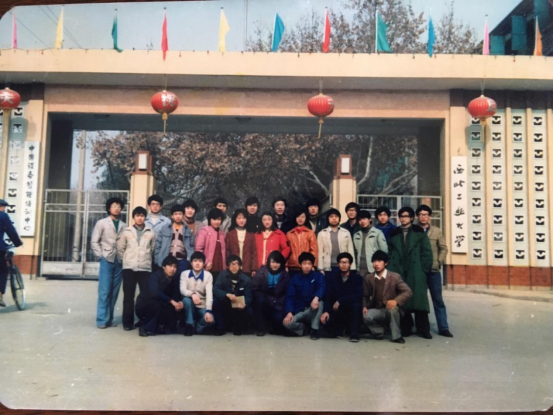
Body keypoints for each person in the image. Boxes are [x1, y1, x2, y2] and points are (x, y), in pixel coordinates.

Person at [387, 207, 433, 339]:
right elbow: (390, 252)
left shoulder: (419, 233)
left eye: (406, 216)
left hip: (416, 270)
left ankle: (423, 329)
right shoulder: (395, 233)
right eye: (401, 216)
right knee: (403, 299)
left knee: (419, 300)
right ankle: (406, 327)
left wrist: (423, 269)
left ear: (412, 218)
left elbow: (427, 252)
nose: (403, 218)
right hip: (399, 270)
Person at [117, 206, 156, 331]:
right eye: (137, 215)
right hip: (129, 268)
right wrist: (127, 260)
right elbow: (121, 249)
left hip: (145, 268)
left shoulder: (150, 232)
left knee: (146, 296)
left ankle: (143, 321)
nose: (140, 218)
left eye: (142, 216)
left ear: (145, 217)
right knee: (128, 296)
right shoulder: (126, 232)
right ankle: (127, 323)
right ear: (133, 217)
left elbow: (152, 249)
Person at [416, 204, 453, 338]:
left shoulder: (437, 231)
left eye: (426, 214)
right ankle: (421, 328)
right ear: (417, 216)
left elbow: (443, 248)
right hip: (419, 270)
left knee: (438, 300)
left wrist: (438, 261)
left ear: (429, 217)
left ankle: (443, 327)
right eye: (421, 214)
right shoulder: (414, 230)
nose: (423, 217)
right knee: (420, 300)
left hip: (433, 271)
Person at [362, 250, 413, 344]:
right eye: (374, 261)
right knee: (365, 315)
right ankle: (380, 332)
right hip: (378, 309)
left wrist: (396, 301)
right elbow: (365, 295)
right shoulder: (369, 278)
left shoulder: (394, 277)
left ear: (385, 263)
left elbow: (408, 291)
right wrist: (364, 306)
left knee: (392, 308)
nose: (376, 264)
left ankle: (397, 336)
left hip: (392, 309)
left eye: (379, 261)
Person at [91, 197, 126, 328]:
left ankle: (109, 319)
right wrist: (100, 255)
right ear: (109, 208)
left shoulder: (124, 225)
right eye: (114, 206)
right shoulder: (102, 223)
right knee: (104, 291)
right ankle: (101, 320)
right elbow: (94, 241)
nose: (116, 208)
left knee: (114, 291)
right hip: (107, 259)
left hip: (119, 261)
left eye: (118, 206)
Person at [135, 255, 184, 337]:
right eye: (170, 266)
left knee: (174, 308)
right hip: (144, 306)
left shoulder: (174, 278)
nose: (172, 269)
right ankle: (145, 328)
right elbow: (155, 293)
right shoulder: (155, 276)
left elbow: (176, 294)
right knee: (156, 304)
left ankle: (158, 325)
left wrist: (178, 303)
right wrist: (171, 301)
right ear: (164, 267)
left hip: (161, 304)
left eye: (175, 267)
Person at [320, 252, 363, 342]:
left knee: (356, 305)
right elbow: (328, 296)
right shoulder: (333, 278)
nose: (343, 265)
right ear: (338, 264)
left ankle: (354, 334)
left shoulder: (357, 278)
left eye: (346, 262)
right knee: (326, 325)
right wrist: (326, 311)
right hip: (337, 310)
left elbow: (358, 295)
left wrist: (340, 300)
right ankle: (340, 329)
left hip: (351, 309)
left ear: (350, 264)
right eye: (341, 262)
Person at [283, 252, 326, 339]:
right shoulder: (295, 278)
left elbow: (322, 287)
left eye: (309, 264)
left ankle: (314, 330)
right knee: (286, 323)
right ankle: (304, 329)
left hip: (312, 309)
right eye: (304, 263)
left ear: (312, 265)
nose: (307, 266)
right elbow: (290, 296)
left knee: (320, 303)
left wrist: (316, 297)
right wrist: (289, 312)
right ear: (300, 265)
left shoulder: (318, 276)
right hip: (300, 311)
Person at [251, 251, 291, 336]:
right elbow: (254, 289)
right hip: (264, 299)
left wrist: (278, 301)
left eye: (277, 262)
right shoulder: (261, 272)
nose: (275, 265)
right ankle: (260, 328)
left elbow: (287, 292)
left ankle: (272, 327)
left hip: (277, 301)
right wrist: (267, 298)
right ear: (269, 262)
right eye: (273, 262)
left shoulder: (285, 275)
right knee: (260, 301)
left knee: (278, 318)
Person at [212, 255, 252, 335]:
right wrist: (226, 294)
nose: (234, 267)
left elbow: (249, 296)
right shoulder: (222, 275)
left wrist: (244, 304)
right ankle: (220, 328)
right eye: (232, 264)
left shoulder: (246, 279)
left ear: (240, 266)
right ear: (227, 266)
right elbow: (215, 289)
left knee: (249, 310)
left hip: (239, 305)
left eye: (236, 264)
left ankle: (239, 327)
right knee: (216, 301)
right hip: (226, 301)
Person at [180, 251, 215, 336]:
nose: (197, 263)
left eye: (200, 261)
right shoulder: (184, 274)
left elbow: (209, 295)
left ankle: (197, 328)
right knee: (186, 300)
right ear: (191, 263)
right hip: (189, 303)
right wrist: (192, 294)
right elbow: (182, 290)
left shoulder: (208, 275)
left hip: (202, 305)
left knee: (211, 320)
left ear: (204, 264)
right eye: (195, 261)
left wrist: (208, 311)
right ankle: (190, 325)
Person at [317, 208, 356, 278]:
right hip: (327, 267)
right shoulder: (322, 233)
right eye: (331, 217)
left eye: (336, 216)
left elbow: (350, 251)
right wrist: (320, 268)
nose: (334, 218)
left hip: (343, 266)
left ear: (339, 219)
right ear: (328, 219)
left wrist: (352, 268)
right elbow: (319, 252)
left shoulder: (346, 233)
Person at [0, 199, 23, 308]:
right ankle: (0, 295)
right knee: (2, 270)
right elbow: (11, 230)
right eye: (3, 207)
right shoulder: (3, 216)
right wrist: (18, 243)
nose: (4, 209)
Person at [160, 204, 192, 277]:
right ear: (172, 216)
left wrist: (189, 259)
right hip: (168, 259)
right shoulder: (165, 228)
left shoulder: (187, 230)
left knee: (180, 279)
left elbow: (191, 246)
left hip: (182, 260)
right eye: (175, 214)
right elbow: (158, 244)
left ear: (183, 215)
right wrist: (159, 258)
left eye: (180, 214)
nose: (178, 216)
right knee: (167, 280)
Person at [195, 208, 227, 281]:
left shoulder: (222, 234)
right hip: (208, 267)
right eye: (214, 219)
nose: (216, 222)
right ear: (210, 219)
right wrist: (205, 262)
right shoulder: (204, 231)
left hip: (221, 267)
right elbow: (198, 249)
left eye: (219, 219)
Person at [353, 210, 388, 277]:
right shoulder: (356, 235)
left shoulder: (378, 233)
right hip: (359, 269)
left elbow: (384, 251)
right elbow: (354, 252)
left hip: (373, 268)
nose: (362, 221)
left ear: (370, 219)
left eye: (364, 219)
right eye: (360, 220)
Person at [225, 209, 258, 276]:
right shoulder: (230, 234)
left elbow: (254, 252)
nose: (241, 220)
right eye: (239, 218)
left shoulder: (251, 234)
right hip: (233, 267)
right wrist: (228, 265)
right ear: (235, 219)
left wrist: (254, 268)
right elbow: (227, 251)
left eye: (244, 218)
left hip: (247, 267)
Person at [286, 210, 318, 276]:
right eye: (298, 217)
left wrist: (313, 265)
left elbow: (314, 250)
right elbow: (287, 251)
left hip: (307, 266)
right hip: (292, 266)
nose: (300, 219)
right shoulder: (289, 234)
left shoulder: (310, 233)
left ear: (306, 218)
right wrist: (286, 265)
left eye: (302, 217)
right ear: (295, 218)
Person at [145, 194, 172, 270]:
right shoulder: (143, 220)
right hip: (146, 252)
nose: (155, 206)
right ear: (149, 206)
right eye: (153, 204)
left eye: (157, 204)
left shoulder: (166, 221)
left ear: (161, 206)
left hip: (161, 252)